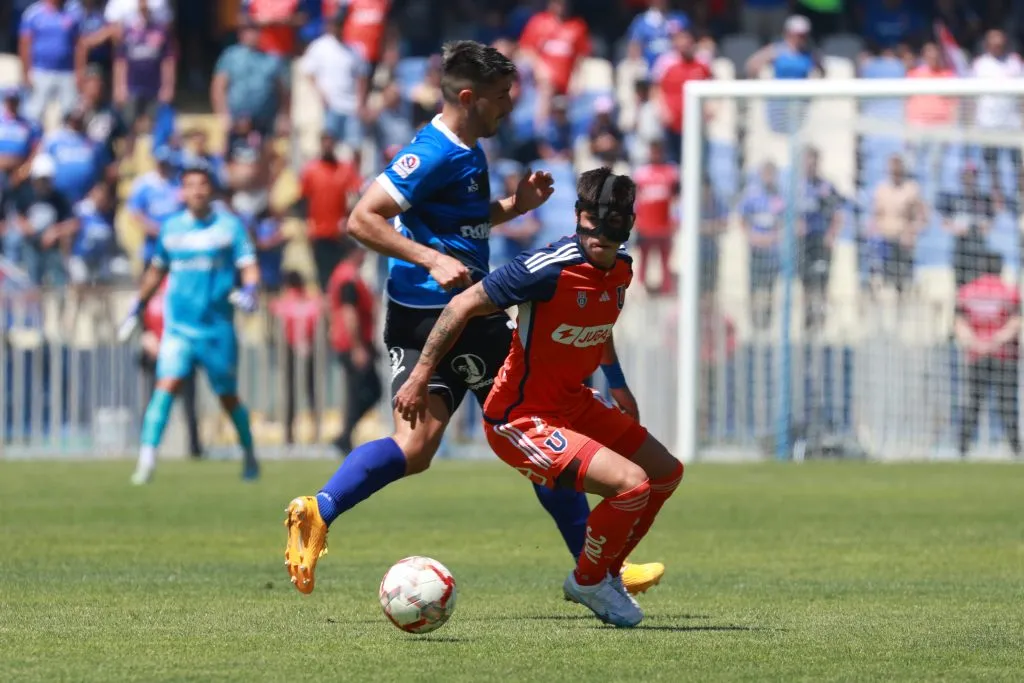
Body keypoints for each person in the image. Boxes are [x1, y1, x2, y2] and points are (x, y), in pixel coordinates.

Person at [282, 40, 664, 596]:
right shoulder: (435, 150)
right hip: (454, 314)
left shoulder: (467, 147)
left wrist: (515, 208)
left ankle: (320, 508)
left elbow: (458, 221)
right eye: (500, 96)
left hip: (421, 316)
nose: (509, 105)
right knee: (542, 428)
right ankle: (600, 568)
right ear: (468, 97)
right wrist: (433, 259)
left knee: (415, 449)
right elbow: (362, 220)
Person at [394, 168, 684, 627]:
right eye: (595, 238)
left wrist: (619, 382)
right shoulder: (547, 267)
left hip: (574, 403)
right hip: (520, 418)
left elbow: (598, 327)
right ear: (579, 217)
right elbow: (462, 304)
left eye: (611, 243)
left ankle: (602, 574)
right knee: (632, 484)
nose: (601, 249)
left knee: (666, 473)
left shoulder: (623, 269)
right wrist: (421, 373)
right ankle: (589, 581)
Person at [117, 160, 261, 485]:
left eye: (202, 185)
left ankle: (250, 454)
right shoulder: (171, 228)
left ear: (210, 189)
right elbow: (157, 271)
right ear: (182, 191)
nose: (196, 191)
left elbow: (249, 266)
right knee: (165, 386)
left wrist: (251, 290)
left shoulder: (229, 227)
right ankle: (147, 460)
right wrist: (137, 304)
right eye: (190, 185)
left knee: (227, 397)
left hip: (217, 329)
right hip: (179, 328)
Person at [954, 250, 1021, 460]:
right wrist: (996, 341)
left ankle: (962, 449)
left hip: (977, 354)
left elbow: (959, 323)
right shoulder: (1009, 292)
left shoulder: (967, 292)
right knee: (1007, 403)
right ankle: (1016, 449)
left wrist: (976, 343)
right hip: (1004, 355)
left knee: (973, 401)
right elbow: (1016, 322)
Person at [325, 240, 381, 455]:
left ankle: (345, 435)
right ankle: (344, 436)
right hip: (351, 344)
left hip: (352, 342)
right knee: (364, 391)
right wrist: (358, 346)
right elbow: (349, 314)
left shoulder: (345, 275)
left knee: (362, 391)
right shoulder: (348, 277)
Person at [270, 271, 321, 446]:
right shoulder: (311, 301)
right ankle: (315, 430)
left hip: (289, 351)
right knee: (312, 391)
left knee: (290, 392)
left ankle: (289, 433)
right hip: (309, 350)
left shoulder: (282, 303)